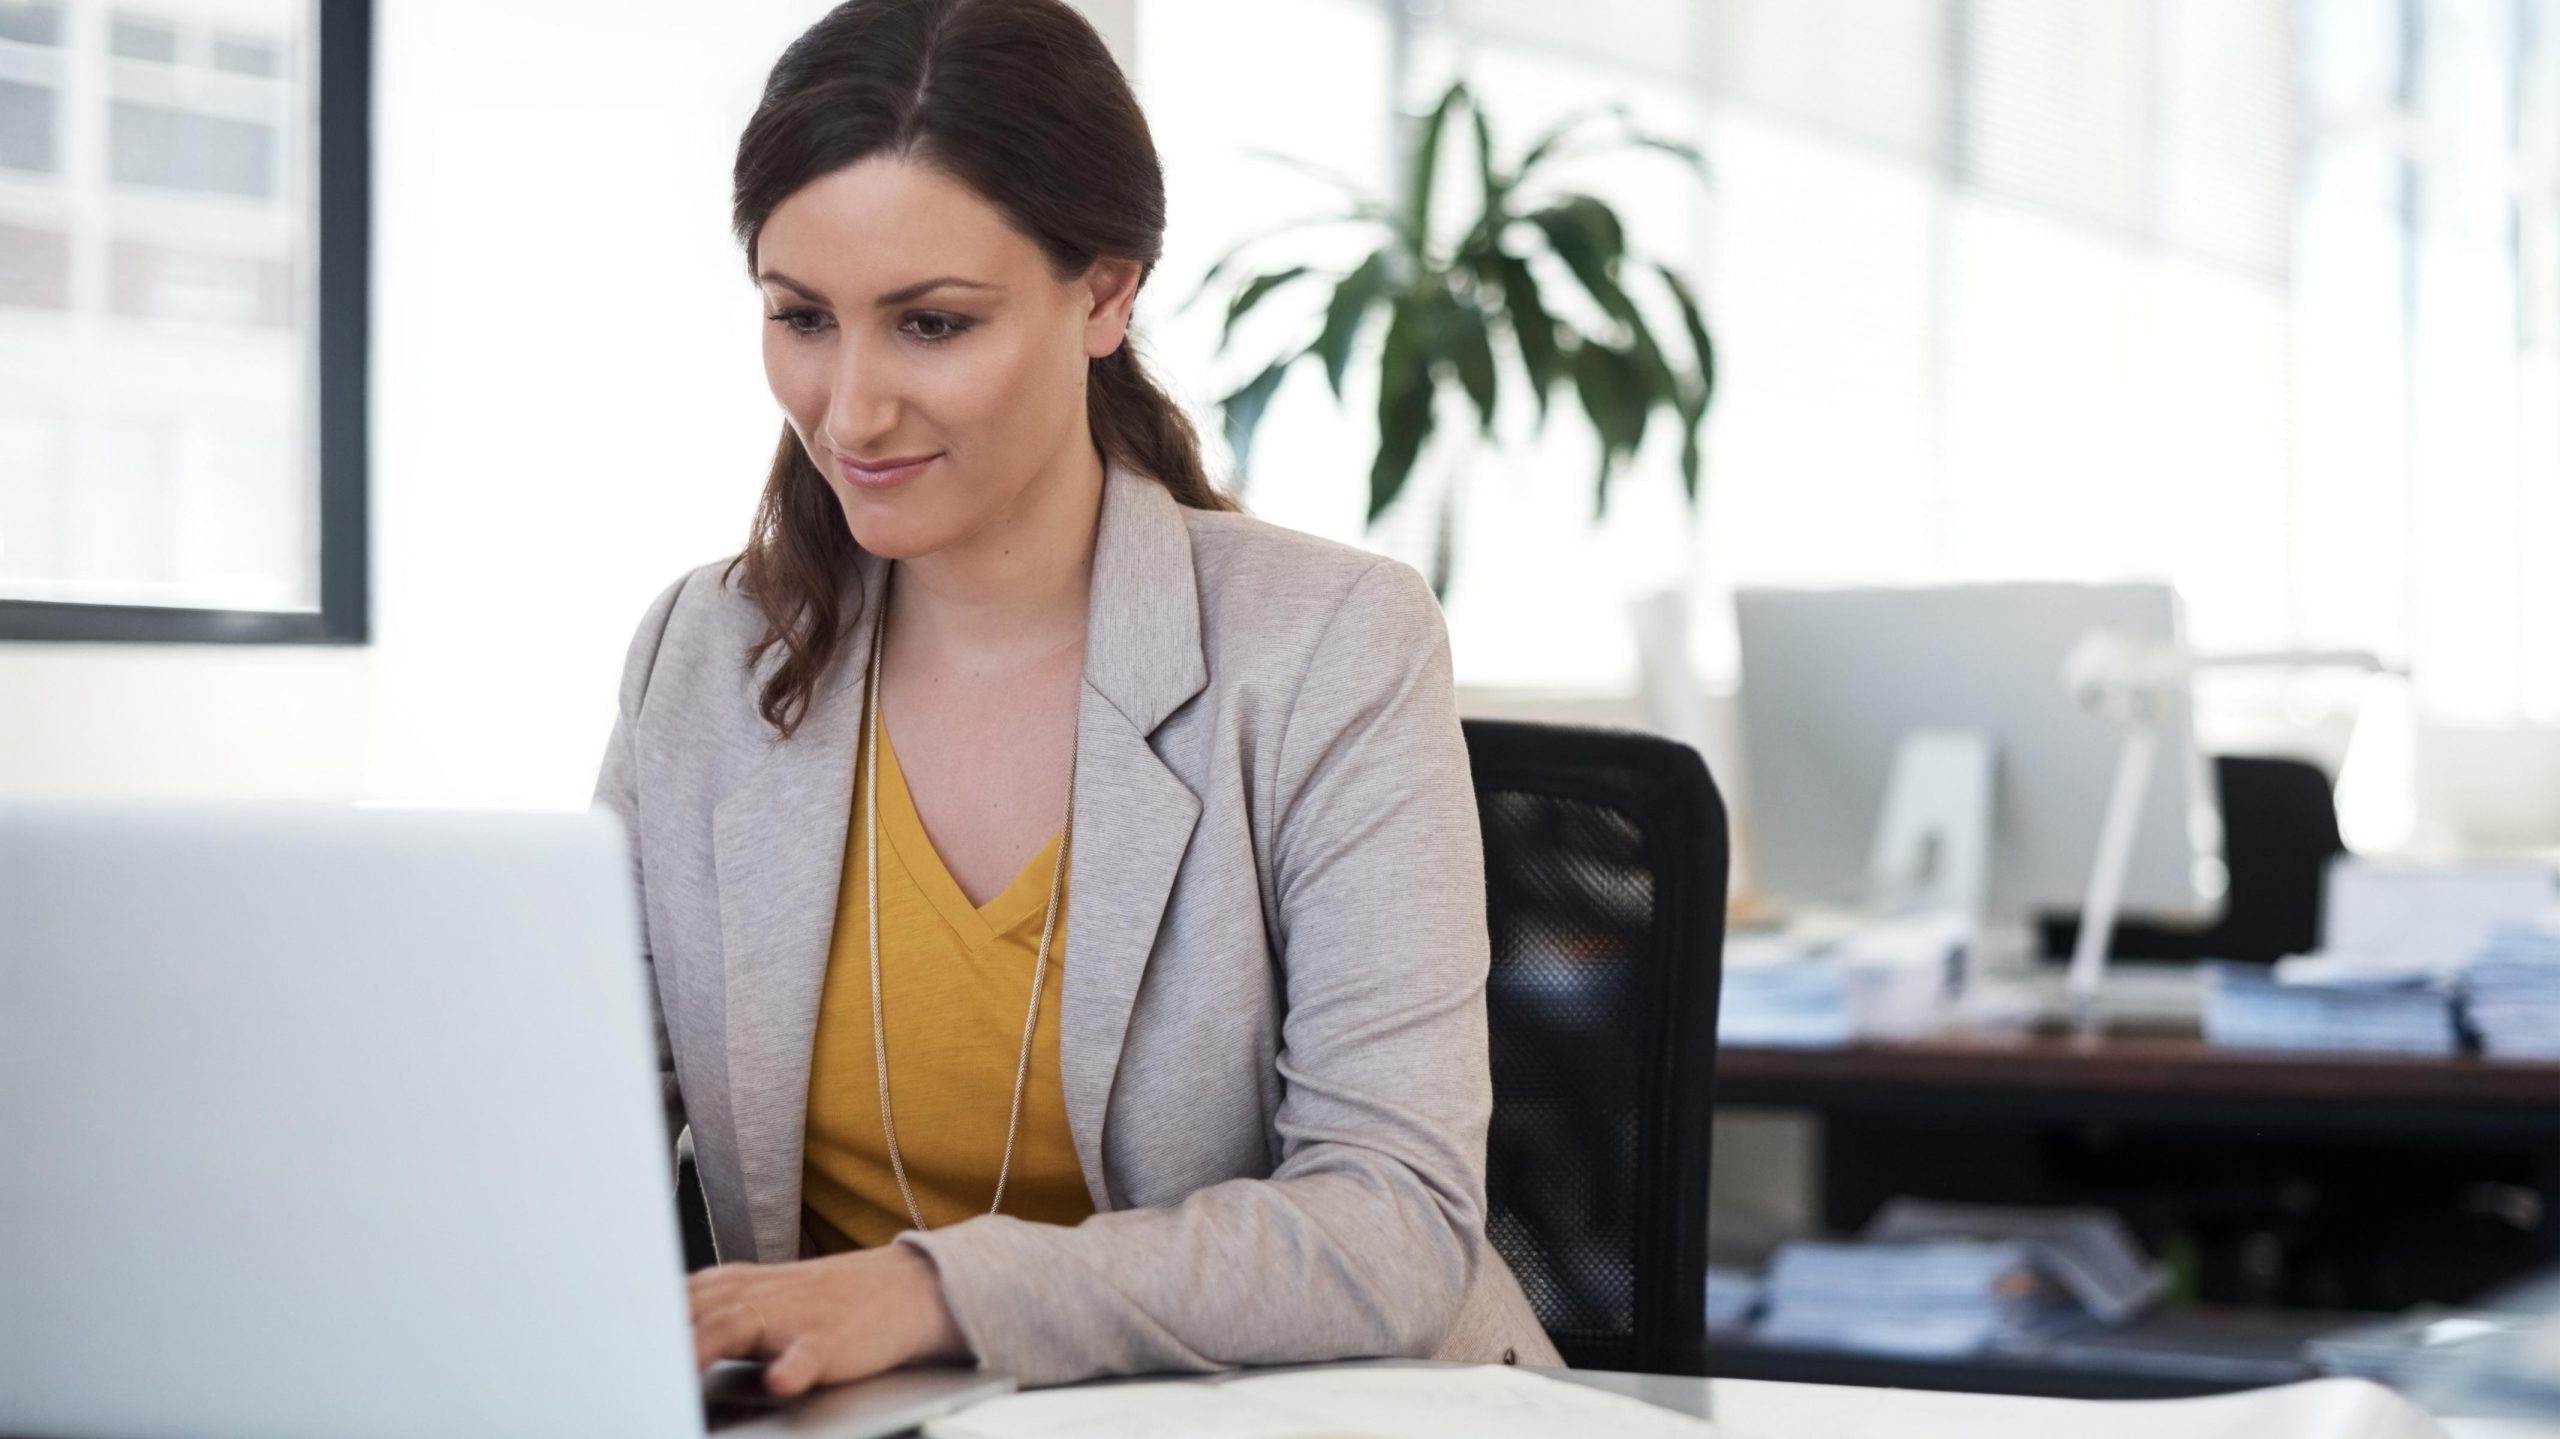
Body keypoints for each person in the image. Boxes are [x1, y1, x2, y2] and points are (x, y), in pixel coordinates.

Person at [590, 0, 1562, 1397]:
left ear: (1106, 296)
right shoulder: (705, 657)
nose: (849, 411)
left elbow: (1392, 1226)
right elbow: (560, 1142)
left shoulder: (1329, 645)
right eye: (802, 318)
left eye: (932, 324)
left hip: (1277, 1420)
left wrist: (927, 1294)